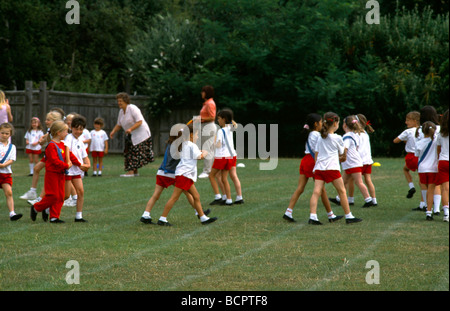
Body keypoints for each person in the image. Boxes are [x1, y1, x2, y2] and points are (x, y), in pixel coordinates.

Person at [140, 124, 210, 224]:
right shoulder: (181, 145)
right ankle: (198, 212)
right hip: (173, 174)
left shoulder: (171, 144)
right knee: (187, 193)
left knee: (156, 195)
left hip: (161, 172)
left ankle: (146, 214)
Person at [283, 113, 342, 223]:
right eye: (320, 122)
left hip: (305, 160)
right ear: (316, 124)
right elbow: (319, 149)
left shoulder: (311, 134)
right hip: (312, 161)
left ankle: (288, 212)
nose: (322, 124)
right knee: (321, 189)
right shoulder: (316, 135)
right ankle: (330, 215)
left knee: (301, 188)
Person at [157, 123, 217, 226]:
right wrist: (205, 152)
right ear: (191, 135)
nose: (198, 137)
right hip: (184, 175)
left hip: (184, 175)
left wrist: (200, 152)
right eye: (197, 135)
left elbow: (194, 154)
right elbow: (199, 156)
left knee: (196, 196)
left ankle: (203, 218)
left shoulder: (183, 144)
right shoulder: (191, 145)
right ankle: (162, 219)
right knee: (174, 198)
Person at [309, 112, 363, 225]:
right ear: (335, 123)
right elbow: (343, 154)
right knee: (342, 191)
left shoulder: (320, 138)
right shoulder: (337, 138)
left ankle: (313, 216)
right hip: (332, 168)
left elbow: (317, 155)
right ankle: (349, 216)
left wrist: (316, 167)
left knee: (316, 192)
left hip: (319, 168)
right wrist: (341, 158)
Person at [30, 121, 81, 223]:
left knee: (61, 196)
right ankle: (36, 208)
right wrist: (66, 166)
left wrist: (80, 165)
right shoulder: (51, 146)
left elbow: (70, 155)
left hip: (61, 174)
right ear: (58, 132)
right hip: (52, 174)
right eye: (66, 131)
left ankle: (54, 217)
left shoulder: (63, 145)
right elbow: (54, 160)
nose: (67, 134)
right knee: (53, 196)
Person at [330, 115, 375, 208]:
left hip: (352, 163)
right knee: (343, 181)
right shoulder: (353, 135)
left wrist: (340, 158)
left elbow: (345, 149)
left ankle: (368, 199)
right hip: (351, 164)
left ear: (345, 125)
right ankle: (339, 198)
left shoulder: (347, 136)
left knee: (359, 182)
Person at [20, 110, 64, 202]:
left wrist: (43, 140)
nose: (45, 121)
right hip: (49, 155)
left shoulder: (58, 131)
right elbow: (48, 136)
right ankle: (33, 192)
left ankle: (40, 199)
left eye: (48, 120)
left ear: (54, 121)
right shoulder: (50, 130)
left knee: (52, 178)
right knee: (36, 169)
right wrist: (42, 139)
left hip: (55, 156)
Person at [110, 92, 154, 177]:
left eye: (120, 101)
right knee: (129, 151)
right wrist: (113, 131)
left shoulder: (133, 108)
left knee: (133, 152)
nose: (119, 103)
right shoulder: (121, 112)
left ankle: (130, 172)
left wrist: (130, 129)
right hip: (132, 135)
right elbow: (119, 124)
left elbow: (140, 121)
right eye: (118, 101)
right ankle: (135, 172)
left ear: (125, 101)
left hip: (142, 135)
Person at [208, 109, 238, 206]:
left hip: (221, 157)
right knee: (224, 178)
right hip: (229, 157)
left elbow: (219, 145)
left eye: (219, 119)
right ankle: (228, 200)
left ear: (224, 119)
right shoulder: (230, 128)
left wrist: (212, 142)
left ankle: (218, 196)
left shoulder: (221, 131)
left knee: (211, 176)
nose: (218, 120)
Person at [414, 106, 441, 214]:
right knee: (437, 186)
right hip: (435, 163)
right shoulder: (439, 128)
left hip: (422, 165)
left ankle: (426, 205)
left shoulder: (420, 129)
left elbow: (417, 149)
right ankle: (437, 208)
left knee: (424, 185)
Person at [64, 115, 91, 222]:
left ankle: (78, 216)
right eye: (76, 129)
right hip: (68, 170)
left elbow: (85, 156)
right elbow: (68, 152)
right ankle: (47, 208)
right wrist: (78, 164)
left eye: (81, 129)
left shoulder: (80, 141)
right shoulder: (68, 138)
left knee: (80, 192)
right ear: (71, 128)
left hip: (76, 172)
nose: (78, 131)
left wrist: (87, 165)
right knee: (66, 196)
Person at [393, 111, 421, 199]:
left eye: (408, 120)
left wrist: (405, 140)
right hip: (422, 157)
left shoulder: (408, 131)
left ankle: (411, 186)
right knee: (423, 180)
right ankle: (424, 203)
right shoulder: (423, 129)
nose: (406, 122)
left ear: (415, 121)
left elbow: (395, 141)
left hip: (411, 157)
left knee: (405, 169)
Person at [0, 123, 22, 221]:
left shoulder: (12, 147)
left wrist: (4, 165)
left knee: (9, 192)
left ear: (10, 135)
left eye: (6, 134)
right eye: (2, 133)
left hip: (5, 173)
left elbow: (12, 159)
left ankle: (12, 213)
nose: (4, 135)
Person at [198, 85, 217, 179]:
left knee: (208, 148)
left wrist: (200, 118)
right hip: (205, 126)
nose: (201, 93)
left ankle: (207, 171)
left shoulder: (210, 103)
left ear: (207, 93)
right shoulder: (206, 103)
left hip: (208, 126)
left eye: (203, 91)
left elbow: (212, 117)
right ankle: (210, 170)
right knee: (207, 148)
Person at [436, 110, 449, 222]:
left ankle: (446, 213)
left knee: (445, 189)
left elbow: (438, 149)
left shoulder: (441, 134)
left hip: (444, 161)